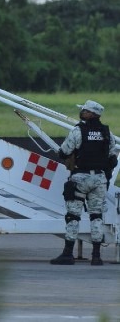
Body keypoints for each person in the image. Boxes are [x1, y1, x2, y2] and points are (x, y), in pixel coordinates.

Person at [49, 100, 118, 266]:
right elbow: (112, 159)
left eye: (85, 111)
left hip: (80, 178)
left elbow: (64, 152)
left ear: (91, 114)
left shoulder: (78, 131)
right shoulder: (107, 133)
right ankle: (96, 256)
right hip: (100, 179)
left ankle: (67, 254)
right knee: (96, 216)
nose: (82, 112)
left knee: (73, 216)